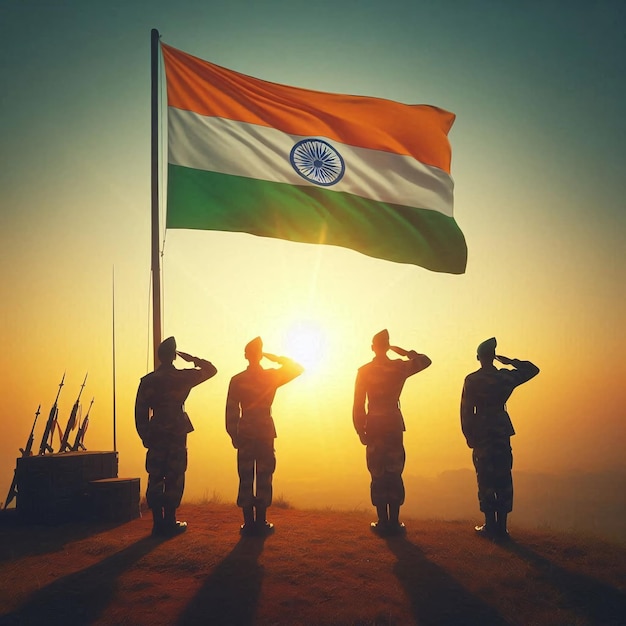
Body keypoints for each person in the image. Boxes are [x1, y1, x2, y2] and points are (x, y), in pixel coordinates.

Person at [135, 336, 217, 537]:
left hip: (156, 431)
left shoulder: (148, 381)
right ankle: (170, 520)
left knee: (155, 474)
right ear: (174, 356)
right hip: (177, 430)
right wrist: (192, 359)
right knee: (174, 474)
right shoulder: (182, 377)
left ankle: (157, 523)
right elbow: (211, 370)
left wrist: (145, 434)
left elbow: (140, 411)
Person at [353, 329, 432, 535]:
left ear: (372, 347)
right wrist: (406, 352)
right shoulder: (399, 367)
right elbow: (425, 361)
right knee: (395, 471)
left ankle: (382, 521)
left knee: (377, 472)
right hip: (393, 423)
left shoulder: (364, 371)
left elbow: (358, 405)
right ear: (387, 346)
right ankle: (394, 522)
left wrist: (360, 429)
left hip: (374, 425)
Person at [460, 337, 539, 539]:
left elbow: (466, 410)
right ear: (493, 357)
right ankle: (502, 528)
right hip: (501, 430)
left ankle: (490, 525)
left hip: (481, 432)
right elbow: (532, 369)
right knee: (503, 476)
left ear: (478, 358)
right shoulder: (504, 378)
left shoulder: (472, 380)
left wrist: (469, 435)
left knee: (485, 477)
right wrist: (510, 361)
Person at [226, 337, 304, 535]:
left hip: (245, 431)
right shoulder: (270, 376)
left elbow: (231, 411)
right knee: (264, 476)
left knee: (245, 476)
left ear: (245, 355)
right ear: (260, 355)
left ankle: (248, 523)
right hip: (265, 431)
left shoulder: (237, 380)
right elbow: (298, 368)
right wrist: (277, 358)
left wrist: (234, 434)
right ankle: (261, 521)